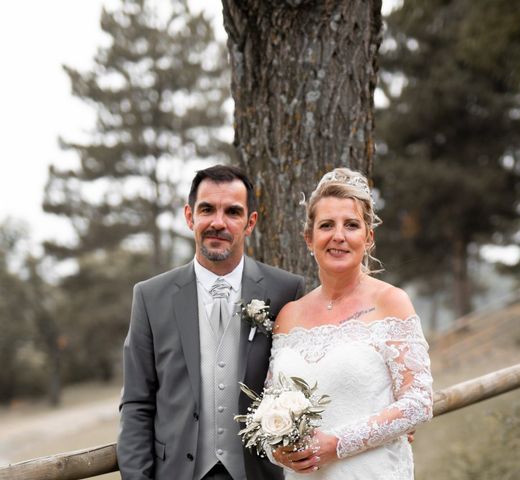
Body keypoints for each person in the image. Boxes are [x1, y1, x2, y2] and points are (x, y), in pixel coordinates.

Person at [117, 165, 305, 480]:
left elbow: (311, 378)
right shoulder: (150, 297)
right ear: (190, 216)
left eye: (232, 212)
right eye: (207, 209)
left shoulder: (286, 291)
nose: (218, 223)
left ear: (250, 223)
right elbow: (137, 403)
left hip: (258, 473)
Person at [269, 168, 433, 479]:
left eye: (352, 225)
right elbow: (267, 411)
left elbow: (418, 403)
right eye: (327, 225)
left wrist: (338, 444)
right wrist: (275, 450)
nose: (339, 236)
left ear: (368, 237)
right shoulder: (288, 316)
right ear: (309, 238)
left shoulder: (391, 302)